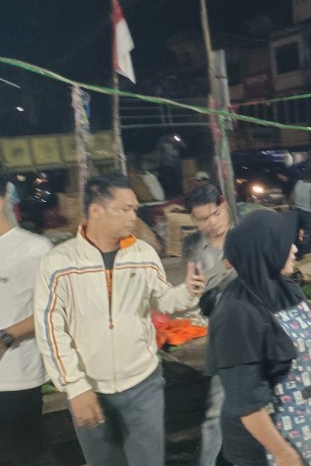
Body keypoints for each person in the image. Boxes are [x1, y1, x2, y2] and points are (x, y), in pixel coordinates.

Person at [33, 173, 204, 466]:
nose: (133, 216)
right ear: (97, 211)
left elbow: (161, 300)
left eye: (135, 209)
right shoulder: (60, 263)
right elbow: (50, 329)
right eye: (125, 209)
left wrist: (187, 292)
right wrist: (75, 387)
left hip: (143, 382)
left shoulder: (142, 253)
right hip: (90, 389)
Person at [206, 210, 311, 466]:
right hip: (277, 435)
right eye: (286, 243)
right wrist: (283, 452)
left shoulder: (287, 287)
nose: (294, 249)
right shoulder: (236, 313)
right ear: (265, 248)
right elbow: (246, 401)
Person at [0, 173, 53, 466]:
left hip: (16, 376)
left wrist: (8, 335)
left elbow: (52, 309)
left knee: (25, 453)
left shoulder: (33, 249)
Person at [183, 185, 238, 466]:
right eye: (203, 219)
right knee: (216, 409)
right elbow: (200, 288)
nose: (212, 223)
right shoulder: (193, 246)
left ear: (225, 206)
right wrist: (226, 266)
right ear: (194, 220)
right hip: (223, 333)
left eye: (215, 214)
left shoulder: (245, 233)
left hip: (259, 326)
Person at [287, 170, 311, 257]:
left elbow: (292, 198)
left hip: (297, 212)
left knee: (299, 231)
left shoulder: (298, 183)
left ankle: (296, 251)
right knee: (306, 233)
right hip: (306, 213)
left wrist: (290, 206)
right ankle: (304, 253)